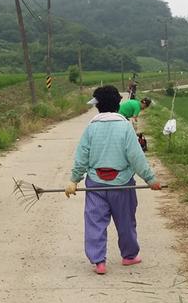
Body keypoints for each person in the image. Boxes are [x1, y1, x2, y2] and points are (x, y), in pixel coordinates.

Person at [65, 85, 162, 275]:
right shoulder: (125, 126)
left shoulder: (91, 128)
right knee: (126, 220)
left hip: (95, 184)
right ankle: (129, 256)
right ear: (118, 104)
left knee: (94, 222)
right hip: (123, 183)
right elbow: (136, 156)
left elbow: (82, 156)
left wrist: (74, 180)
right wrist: (150, 179)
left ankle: (98, 261)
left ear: (97, 106)